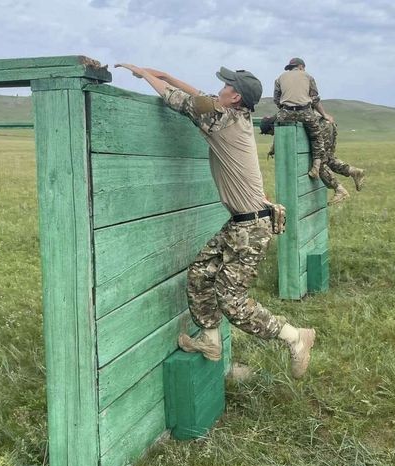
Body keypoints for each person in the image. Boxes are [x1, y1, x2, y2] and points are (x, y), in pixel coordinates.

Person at [114, 62, 316, 379]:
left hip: (251, 228)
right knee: (199, 275)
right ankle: (209, 340)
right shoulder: (235, 114)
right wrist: (165, 74)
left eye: (226, 86)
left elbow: (177, 100)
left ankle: (294, 337)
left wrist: (146, 76)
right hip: (241, 224)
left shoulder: (220, 118)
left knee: (233, 302)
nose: (220, 88)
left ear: (235, 97)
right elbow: (200, 96)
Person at [261, 114, 365, 205]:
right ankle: (353, 171)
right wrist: (272, 149)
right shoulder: (283, 116)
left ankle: (339, 190)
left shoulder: (281, 120)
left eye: (270, 132)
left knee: (318, 162)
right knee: (329, 159)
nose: (272, 134)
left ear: (271, 126)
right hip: (327, 124)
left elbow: (280, 132)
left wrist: (273, 149)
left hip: (320, 128)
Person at [273, 57, 332, 180]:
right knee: (316, 137)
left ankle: (274, 148)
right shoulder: (308, 77)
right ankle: (316, 167)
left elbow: (276, 99)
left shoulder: (280, 78)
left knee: (277, 127)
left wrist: (284, 107)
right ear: (301, 67)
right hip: (305, 111)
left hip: (286, 112)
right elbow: (315, 99)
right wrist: (324, 115)